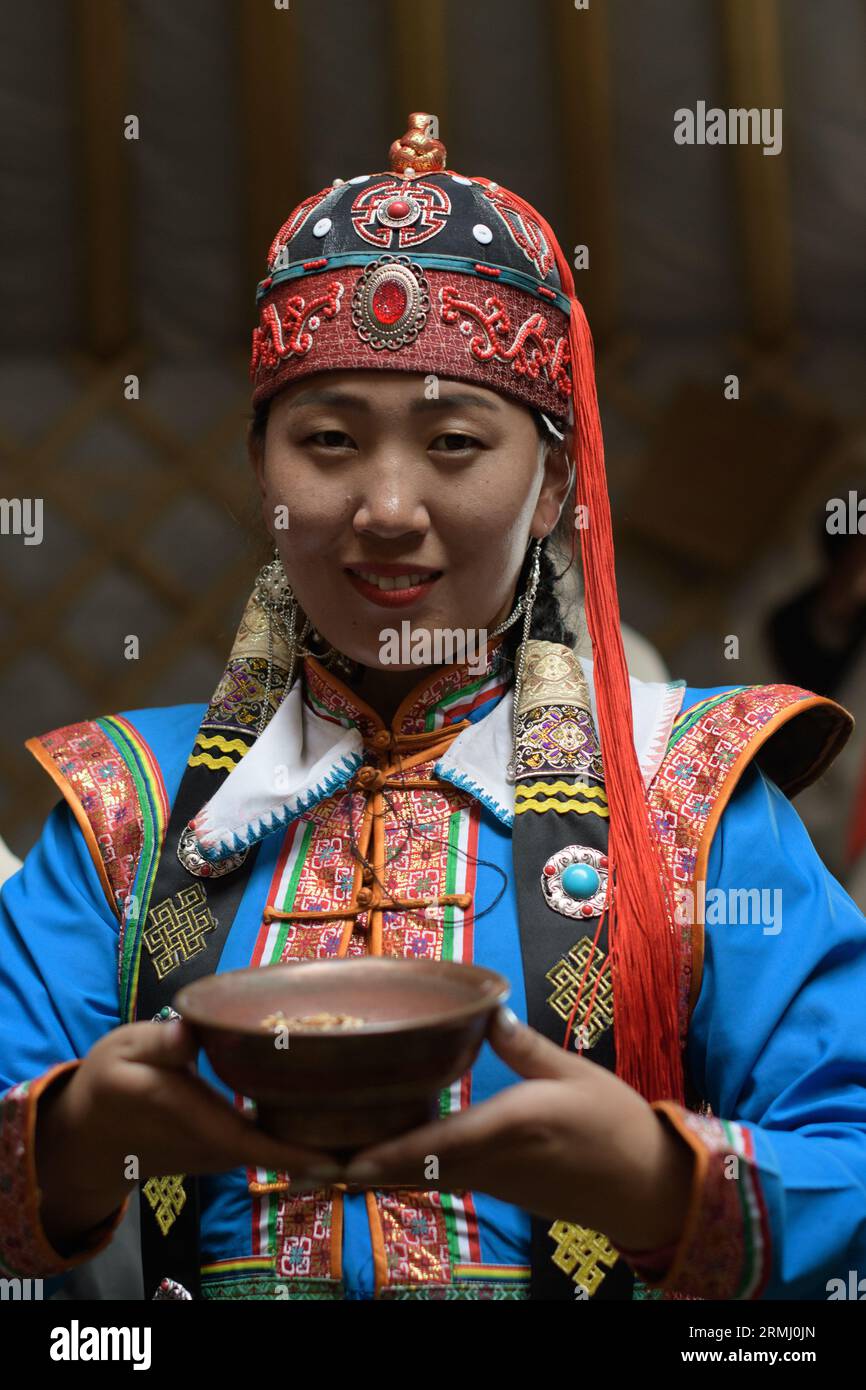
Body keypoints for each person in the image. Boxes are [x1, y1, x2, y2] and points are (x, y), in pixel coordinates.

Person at [2, 115, 865, 1303]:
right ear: (263, 469)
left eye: (455, 441)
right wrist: (76, 1140)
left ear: (555, 478)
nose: (387, 505)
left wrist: (661, 1184)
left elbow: (851, 1155)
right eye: (327, 440)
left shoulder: (692, 793)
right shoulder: (123, 814)